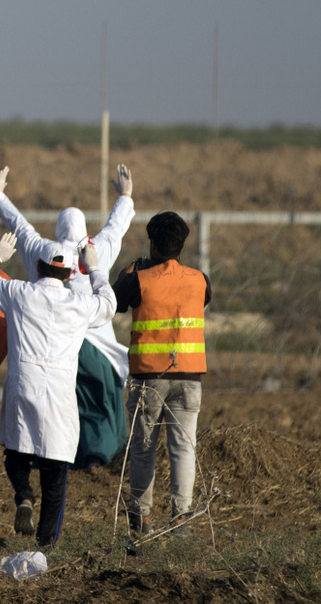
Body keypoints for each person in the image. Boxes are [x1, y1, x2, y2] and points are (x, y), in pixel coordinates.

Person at [0, 231, 118, 548]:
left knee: (15, 452)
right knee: (55, 471)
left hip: (23, 384)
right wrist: (94, 268)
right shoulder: (80, 304)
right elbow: (109, 305)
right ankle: (46, 543)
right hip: (60, 393)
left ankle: (24, 496)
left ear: (37, 268)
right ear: (69, 274)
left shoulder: (19, 292)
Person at [0, 164, 135, 469]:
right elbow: (116, 226)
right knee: (99, 400)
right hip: (96, 346)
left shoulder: (42, 251)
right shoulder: (97, 249)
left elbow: (20, 227)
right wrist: (125, 195)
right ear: (83, 229)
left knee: (57, 402)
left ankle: (51, 457)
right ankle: (97, 456)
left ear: (58, 228)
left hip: (51, 343)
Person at [114, 210, 212, 536]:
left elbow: (116, 302)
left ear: (153, 244)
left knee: (143, 449)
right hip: (189, 377)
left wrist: (130, 271)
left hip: (148, 378)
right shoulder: (200, 280)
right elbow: (201, 300)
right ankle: (181, 518)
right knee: (184, 448)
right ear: (182, 245)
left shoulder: (138, 280)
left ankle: (141, 519)